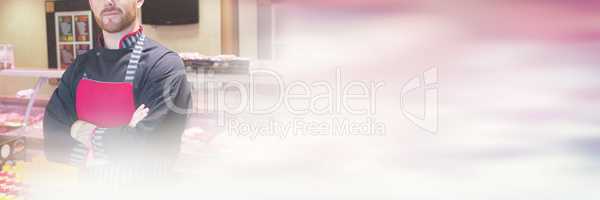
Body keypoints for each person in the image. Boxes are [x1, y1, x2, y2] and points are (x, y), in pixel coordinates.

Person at [43, 0, 191, 185]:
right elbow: (52, 139)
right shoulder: (80, 65)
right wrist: (122, 136)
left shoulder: (163, 65)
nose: (108, 2)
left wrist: (80, 130)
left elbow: (147, 148)